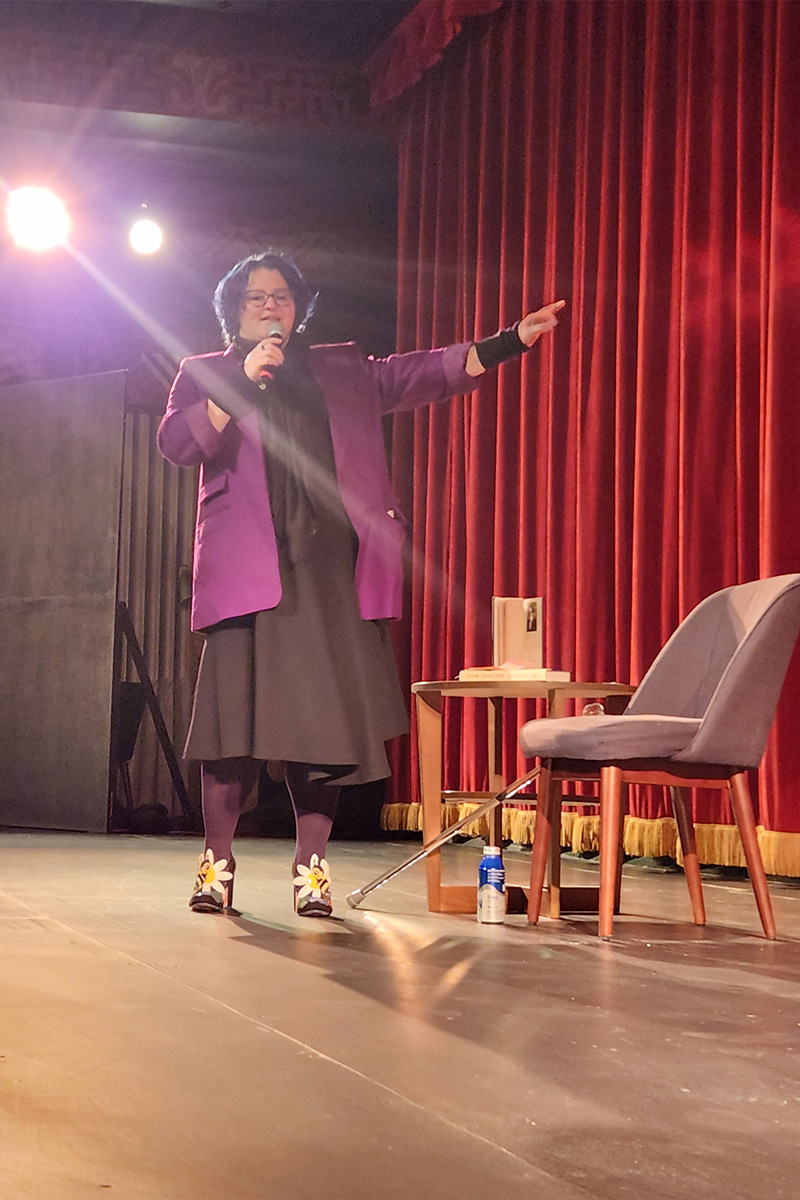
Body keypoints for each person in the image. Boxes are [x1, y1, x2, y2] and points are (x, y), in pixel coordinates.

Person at [158, 250, 564, 917]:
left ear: (299, 308)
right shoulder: (203, 373)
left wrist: (509, 342)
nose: (269, 307)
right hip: (246, 575)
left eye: (281, 297)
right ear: (232, 310)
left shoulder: (343, 368)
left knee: (324, 732)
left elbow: (427, 372)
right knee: (231, 731)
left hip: (331, 575)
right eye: (255, 298)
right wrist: (238, 386)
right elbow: (178, 445)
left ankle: (310, 869)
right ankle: (216, 863)